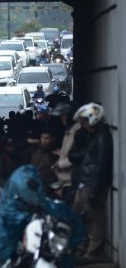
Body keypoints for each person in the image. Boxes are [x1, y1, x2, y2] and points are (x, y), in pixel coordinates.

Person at [0, 165, 86, 268]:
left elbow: (78, 231)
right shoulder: (10, 214)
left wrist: (66, 247)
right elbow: (1, 247)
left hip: (52, 257)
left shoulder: (54, 208)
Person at [69, 102, 113, 263]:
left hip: (92, 184)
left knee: (94, 220)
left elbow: (101, 165)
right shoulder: (94, 135)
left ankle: (93, 253)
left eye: (85, 122)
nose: (83, 125)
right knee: (78, 217)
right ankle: (81, 248)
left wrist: (95, 191)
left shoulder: (103, 137)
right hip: (84, 182)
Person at [51, 102, 81, 203]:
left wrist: (61, 164)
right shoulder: (69, 130)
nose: (61, 119)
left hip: (72, 180)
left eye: (63, 116)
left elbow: (79, 155)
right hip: (65, 180)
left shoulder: (77, 132)